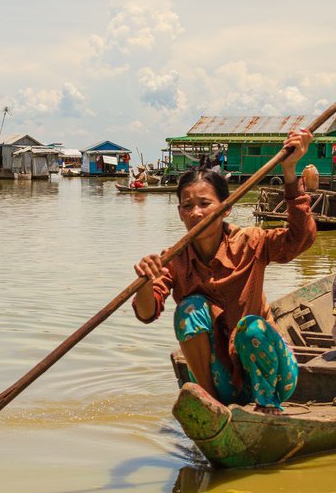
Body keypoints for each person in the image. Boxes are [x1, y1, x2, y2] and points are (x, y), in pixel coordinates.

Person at [133, 129, 316, 416]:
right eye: (187, 206)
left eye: (205, 204)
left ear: (225, 208)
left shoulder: (251, 241)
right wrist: (143, 283)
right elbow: (146, 313)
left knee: (251, 328)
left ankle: (267, 408)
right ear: (180, 212)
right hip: (222, 380)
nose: (196, 213)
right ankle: (210, 401)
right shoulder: (174, 259)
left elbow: (299, 239)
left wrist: (290, 172)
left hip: (273, 375)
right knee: (189, 310)